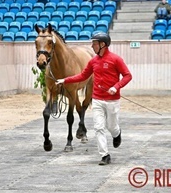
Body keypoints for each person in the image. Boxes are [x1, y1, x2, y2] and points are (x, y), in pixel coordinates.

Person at [55, 33, 132, 166]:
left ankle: (117, 133)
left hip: (112, 100)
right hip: (97, 99)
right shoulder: (93, 61)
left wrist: (116, 86)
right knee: (98, 127)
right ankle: (105, 155)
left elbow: (127, 75)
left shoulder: (116, 59)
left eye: (94, 43)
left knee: (111, 126)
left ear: (102, 45)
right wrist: (65, 80)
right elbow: (82, 76)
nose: (92, 46)